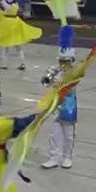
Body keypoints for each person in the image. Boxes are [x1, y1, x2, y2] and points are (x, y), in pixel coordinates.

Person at [40, 27, 79, 170]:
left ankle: (67, 157)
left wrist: (61, 83)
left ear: (70, 60)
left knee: (68, 134)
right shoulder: (55, 69)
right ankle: (53, 158)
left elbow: (73, 89)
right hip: (55, 103)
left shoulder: (75, 72)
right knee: (54, 132)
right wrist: (50, 79)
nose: (62, 63)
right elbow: (45, 82)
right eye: (61, 60)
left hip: (68, 104)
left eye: (65, 61)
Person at [0, 0, 42, 70]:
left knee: (6, 46)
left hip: (8, 25)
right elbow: (4, 2)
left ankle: (4, 64)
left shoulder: (8, 7)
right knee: (18, 47)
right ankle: (23, 64)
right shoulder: (16, 5)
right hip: (16, 24)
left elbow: (3, 2)